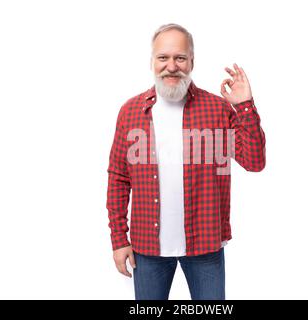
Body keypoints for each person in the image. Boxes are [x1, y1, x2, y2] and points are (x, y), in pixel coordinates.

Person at [106, 23, 266, 300]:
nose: (172, 66)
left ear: (192, 61)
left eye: (180, 58)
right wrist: (119, 239)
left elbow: (254, 162)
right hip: (147, 248)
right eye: (163, 58)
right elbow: (118, 178)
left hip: (205, 245)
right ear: (152, 61)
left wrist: (245, 106)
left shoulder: (217, 109)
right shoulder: (130, 111)